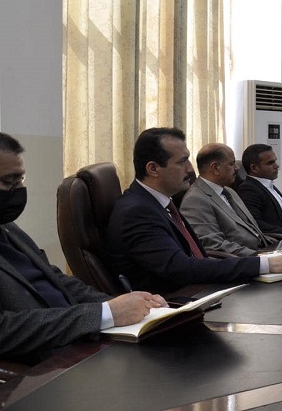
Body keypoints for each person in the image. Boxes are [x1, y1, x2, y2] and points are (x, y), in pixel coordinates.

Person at [0, 132, 167, 363]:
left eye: (21, 180)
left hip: (86, 339)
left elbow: (56, 279)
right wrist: (104, 314)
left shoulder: (8, 227)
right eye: (9, 182)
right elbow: (5, 330)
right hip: (50, 364)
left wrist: (125, 306)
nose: (19, 190)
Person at [106, 128, 282, 294]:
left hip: (200, 288)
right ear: (153, 169)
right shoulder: (137, 211)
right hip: (174, 305)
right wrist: (265, 264)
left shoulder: (161, 203)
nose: (190, 169)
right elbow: (182, 269)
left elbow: (197, 258)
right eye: (182, 161)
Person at [179, 143, 275, 256]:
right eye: (232, 163)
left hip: (264, 250)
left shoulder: (229, 191)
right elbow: (215, 246)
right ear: (215, 168)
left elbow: (253, 231)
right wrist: (262, 257)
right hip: (245, 259)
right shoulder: (195, 200)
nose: (237, 168)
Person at [236, 143, 282, 236]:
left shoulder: (268, 185)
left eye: (275, 161)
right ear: (254, 168)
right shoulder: (248, 189)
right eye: (270, 163)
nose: (277, 166)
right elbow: (255, 224)